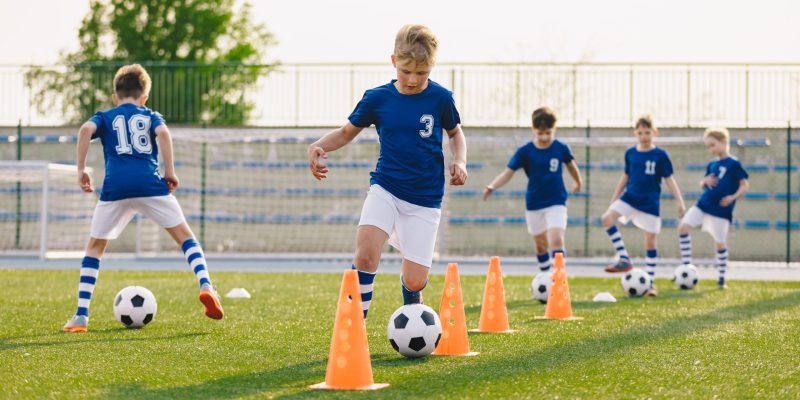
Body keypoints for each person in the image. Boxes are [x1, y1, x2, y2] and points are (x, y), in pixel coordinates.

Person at [306, 24, 468, 318]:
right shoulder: (377, 98)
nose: (413, 80)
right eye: (406, 71)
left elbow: (456, 133)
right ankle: (354, 328)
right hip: (386, 188)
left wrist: (460, 160)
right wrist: (319, 146)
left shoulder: (441, 98)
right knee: (366, 254)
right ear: (394, 61)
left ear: (432, 68)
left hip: (425, 198)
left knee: (415, 279)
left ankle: (412, 300)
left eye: (422, 73)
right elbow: (345, 133)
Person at [62, 64, 223, 332]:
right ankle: (206, 284)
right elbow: (163, 134)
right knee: (186, 238)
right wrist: (170, 171)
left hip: (115, 189)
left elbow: (83, 131)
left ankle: (80, 316)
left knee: (94, 249)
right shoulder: (151, 116)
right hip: (150, 185)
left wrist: (81, 170)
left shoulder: (105, 115)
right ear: (144, 97)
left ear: (115, 96)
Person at [483, 107, 582, 280]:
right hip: (534, 203)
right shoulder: (525, 151)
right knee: (541, 245)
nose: (544, 137)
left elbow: (571, 166)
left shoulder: (561, 148)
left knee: (556, 239)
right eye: (540, 133)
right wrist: (492, 186)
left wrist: (578, 182)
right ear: (533, 130)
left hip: (556, 201)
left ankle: (559, 281)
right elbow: (508, 173)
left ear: (554, 129)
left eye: (548, 133)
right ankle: (545, 278)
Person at [601, 115, 686, 296]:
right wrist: (615, 198)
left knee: (650, 242)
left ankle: (650, 283)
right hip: (630, 198)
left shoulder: (660, 155)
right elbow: (625, 176)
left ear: (655, 132)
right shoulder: (630, 153)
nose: (644, 136)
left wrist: (680, 202)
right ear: (635, 133)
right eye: (640, 133)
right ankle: (624, 258)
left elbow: (669, 179)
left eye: (647, 132)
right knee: (607, 218)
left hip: (650, 203)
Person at [677, 127, 749, 289]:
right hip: (703, 204)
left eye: (713, 145)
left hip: (720, 211)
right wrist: (705, 182)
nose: (711, 149)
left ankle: (721, 279)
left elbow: (744, 185)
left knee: (720, 244)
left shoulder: (734, 164)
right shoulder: (712, 164)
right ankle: (687, 268)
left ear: (723, 142)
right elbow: (704, 182)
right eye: (708, 146)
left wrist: (732, 197)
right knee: (683, 227)